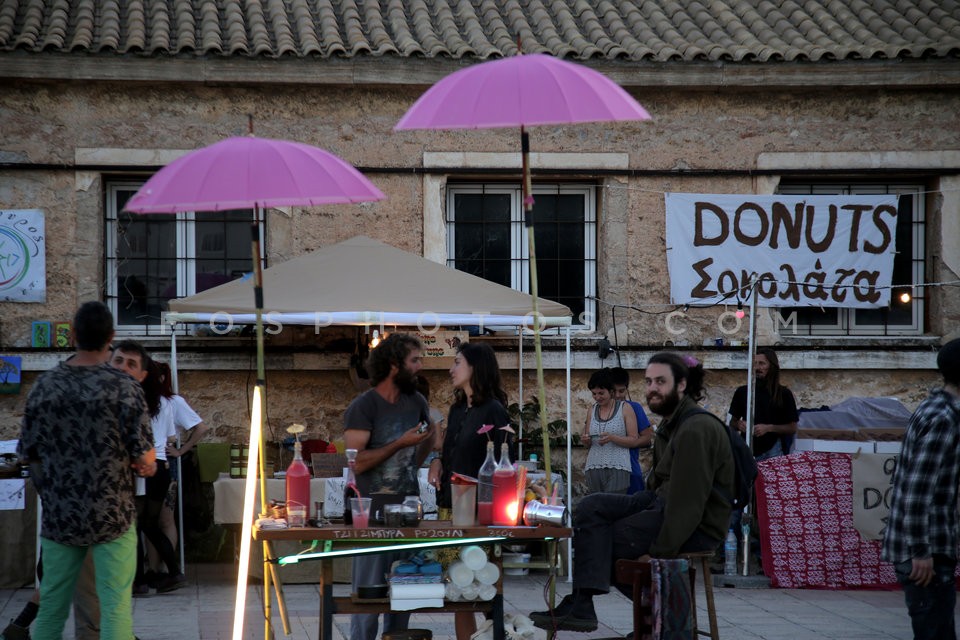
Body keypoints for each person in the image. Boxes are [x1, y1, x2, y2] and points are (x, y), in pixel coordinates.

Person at [529, 352, 734, 632]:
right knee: (591, 506)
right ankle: (582, 604)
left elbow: (689, 503)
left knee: (607, 538)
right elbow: (657, 484)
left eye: (660, 382)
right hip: (659, 502)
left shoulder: (696, 428)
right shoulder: (671, 426)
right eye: (649, 381)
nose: (651, 388)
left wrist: (660, 551)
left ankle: (659, 619)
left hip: (695, 523)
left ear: (682, 385)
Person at [17, 301, 156, 640]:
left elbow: (27, 453)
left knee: (50, 607)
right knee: (115, 608)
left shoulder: (45, 386)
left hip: (61, 516)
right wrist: (143, 465)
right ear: (111, 337)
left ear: (74, 335)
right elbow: (146, 457)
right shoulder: (125, 389)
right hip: (113, 515)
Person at [343, 333, 436, 640]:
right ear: (395, 365)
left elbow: (429, 440)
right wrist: (399, 444)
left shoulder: (417, 402)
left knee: (403, 600)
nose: (421, 366)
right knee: (368, 602)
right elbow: (356, 463)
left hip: (408, 513)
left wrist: (416, 458)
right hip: (371, 516)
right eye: (415, 360)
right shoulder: (364, 406)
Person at [428, 341, 511, 640]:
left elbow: (504, 467)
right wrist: (438, 461)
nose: (451, 369)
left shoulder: (494, 410)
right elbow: (452, 452)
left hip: (480, 514)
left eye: (457, 362)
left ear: (475, 367)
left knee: (485, 587)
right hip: (450, 506)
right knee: (457, 589)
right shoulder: (458, 408)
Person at [882, 338, 960, 640]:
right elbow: (916, 492)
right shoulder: (943, 419)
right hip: (925, 549)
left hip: (934, 544)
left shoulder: (938, 408)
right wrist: (920, 551)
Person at [110, 343, 188, 594]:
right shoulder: (165, 402)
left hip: (144, 469)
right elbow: (168, 437)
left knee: (138, 525)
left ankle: (142, 579)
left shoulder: (137, 402)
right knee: (148, 524)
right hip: (161, 467)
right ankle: (168, 573)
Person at [151, 361, 208, 581]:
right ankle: (153, 569)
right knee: (151, 520)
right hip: (153, 459)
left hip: (167, 460)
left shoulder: (173, 402)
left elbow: (200, 427)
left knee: (165, 518)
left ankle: (167, 569)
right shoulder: (147, 400)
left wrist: (181, 450)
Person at [727, 347, 799, 461]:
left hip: (773, 450)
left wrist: (769, 428)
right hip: (746, 449)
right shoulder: (742, 392)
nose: (757, 368)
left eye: (762, 364)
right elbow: (732, 422)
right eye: (755, 364)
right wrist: (739, 424)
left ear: (771, 367)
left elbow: (792, 427)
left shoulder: (783, 394)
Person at [582, 369, 641, 494]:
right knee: (597, 506)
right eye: (594, 394)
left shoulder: (625, 408)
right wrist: (586, 440)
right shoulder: (592, 409)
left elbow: (634, 439)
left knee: (614, 507)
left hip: (618, 467)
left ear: (611, 391)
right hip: (594, 466)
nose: (597, 397)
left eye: (601, 393)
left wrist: (613, 438)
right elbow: (587, 442)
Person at [608, 367, 654, 493]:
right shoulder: (597, 409)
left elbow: (647, 438)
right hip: (605, 471)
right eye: (613, 391)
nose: (617, 395)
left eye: (621, 391)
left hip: (630, 471)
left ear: (627, 389)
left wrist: (631, 442)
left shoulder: (634, 408)